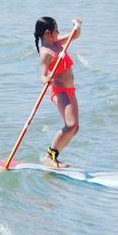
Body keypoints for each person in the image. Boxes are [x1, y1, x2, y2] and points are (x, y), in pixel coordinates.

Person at [34, 17, 83, 168]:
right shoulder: (46, 52)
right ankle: (50, 157)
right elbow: (42, 75)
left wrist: (77, 25)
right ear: (48, 33)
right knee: (70, 125)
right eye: (57, 30)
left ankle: (54, 157)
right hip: (59, 91)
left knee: (75, 128)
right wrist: (46, 80)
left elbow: (74, 36)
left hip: (70, 90)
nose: (58, 32)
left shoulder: (56, 43)